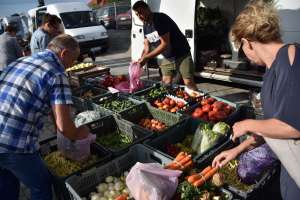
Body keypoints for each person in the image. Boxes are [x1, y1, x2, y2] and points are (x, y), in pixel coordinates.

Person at [212, 1, 300, 199]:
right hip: (289, 171)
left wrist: (248, 123)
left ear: (247, 42)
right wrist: (238, 149)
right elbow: (274, 126)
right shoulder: (272, 68)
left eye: (241, 47)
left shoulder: (292, 57)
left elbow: (294, 126)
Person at [0, 34, 90, 200]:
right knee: (41, 185)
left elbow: (53, 111)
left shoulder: (22, 61)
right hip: (15, 144)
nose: (72, 65)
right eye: (73, 59)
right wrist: (81, 134)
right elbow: (66, 127)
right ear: (64, 54)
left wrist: (59, 130)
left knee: (6, 181)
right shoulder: (56, 73)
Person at [132, 1, 197, 90]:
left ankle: (198, 100)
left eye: (141, 12)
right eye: (137, 14)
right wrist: (141, 61)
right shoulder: (145, 25)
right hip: (168, 57)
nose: (139, 16)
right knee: (166, 81)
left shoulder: (159, 19)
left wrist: (146, 57)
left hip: (181, 54)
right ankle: (170, 101)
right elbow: (147, 47)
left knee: (188, 82)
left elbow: (165, 44)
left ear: (147, 9)